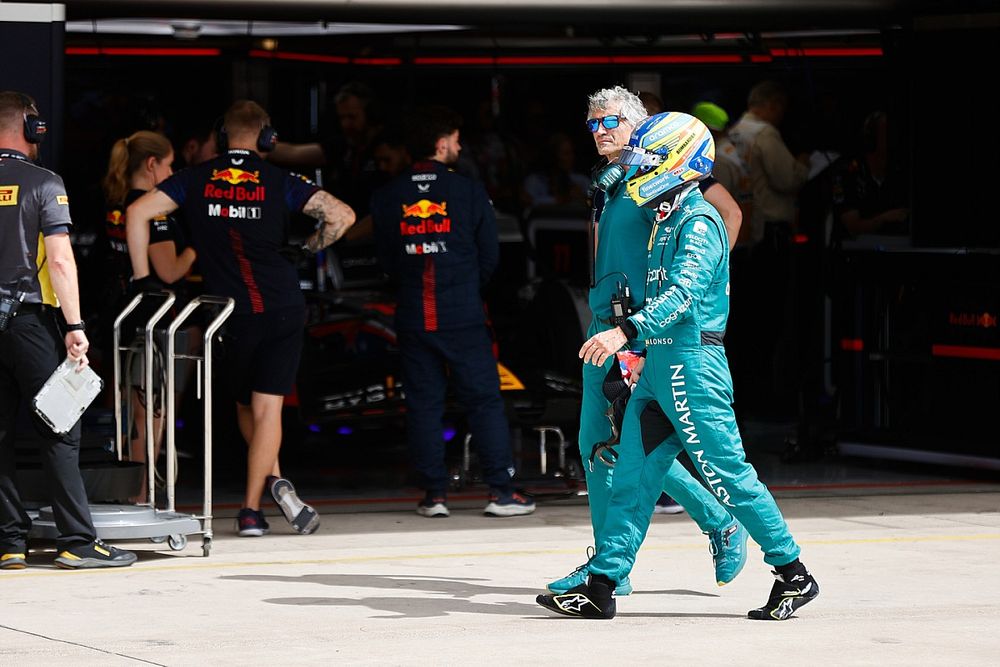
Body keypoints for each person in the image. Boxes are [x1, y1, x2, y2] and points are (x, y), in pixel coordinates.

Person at [537, 112, 819, 620]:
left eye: (646, 159)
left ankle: (793, 573)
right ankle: (602, 585)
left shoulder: (699, 219)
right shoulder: (665, 218)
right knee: (630, 474)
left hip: (693, 365)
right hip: (658, 363)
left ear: (676, 161)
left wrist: (623, 332)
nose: (637, 168)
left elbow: (685, 294)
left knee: (729, 475)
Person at [545, 86, 746, 597]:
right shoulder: (609, 182)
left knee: (630, 446)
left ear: (642, 127)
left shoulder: (666, 177)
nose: (601, 131)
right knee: (600, 446)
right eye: (593, 124)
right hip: (605, 327)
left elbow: (729, 215)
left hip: (640, 332)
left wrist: (693, 290)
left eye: (610, 122)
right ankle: (618, 562)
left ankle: (625, 563)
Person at [126, 100, 356, 536]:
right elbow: (342, 215)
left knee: (243, 404)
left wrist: (141, 279)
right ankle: (253, 509)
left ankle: (272, 482)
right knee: (268, 408)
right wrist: (305, 249)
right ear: (268, 139)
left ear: (222, 136)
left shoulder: (193, 178)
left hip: (228, 315)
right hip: (282, 306)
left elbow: (138, 212)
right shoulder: (281, 179)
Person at [370, 105, 534, 518]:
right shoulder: (468, 190)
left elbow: (386, 259)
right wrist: (462, 286)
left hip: (412, 312)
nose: (460, 147)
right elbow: (490, 256)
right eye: (457, 140)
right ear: (442, 144)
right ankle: (500, 491)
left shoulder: (389, 195)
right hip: (461, 312)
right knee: (483, 400)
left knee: (424, 404)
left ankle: (434, 496)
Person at [0, 90, 136, 569]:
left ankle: (9, 543)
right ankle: (77, 542)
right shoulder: (44, 182)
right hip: (30, 320)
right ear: (31, 129)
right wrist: (75, 325)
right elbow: (59, 258)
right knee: (59, 426)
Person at [101, 130, 197, 501]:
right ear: (153, 165)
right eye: (170, 164)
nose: (173, 171)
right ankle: (141, 497)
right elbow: (170, 270)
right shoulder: (152, 210)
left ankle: (125, 490)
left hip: (125, 318)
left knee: (127, 410)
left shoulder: (116, 202)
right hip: (155, 321)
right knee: (151, 415)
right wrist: (197, 248)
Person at [727, 80, 812, 416]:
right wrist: (804, 163)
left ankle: (743, 396)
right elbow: (788, 178)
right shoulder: (765, 135)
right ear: (773, 105)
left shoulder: (735, 132)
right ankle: (763, 397)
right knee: (767, 322)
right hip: (770, 237)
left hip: (743, 239)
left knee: (743, 322)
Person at [831, 110, 908, 240]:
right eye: (887, 133)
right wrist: (884, 219)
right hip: (852, 252)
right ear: (871, 139)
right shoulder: (847, 172)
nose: (893, 138)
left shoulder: (898, 172)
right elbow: (853, 227)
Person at [520, 131, 590, 213]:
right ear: (553, 156)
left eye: (572, 153)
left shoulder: (582, 181)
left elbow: (595, 204)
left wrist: (582, 197)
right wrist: (559, 200)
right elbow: (528, 202)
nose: (571, 157)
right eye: (566, 154)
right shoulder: (534, 181)